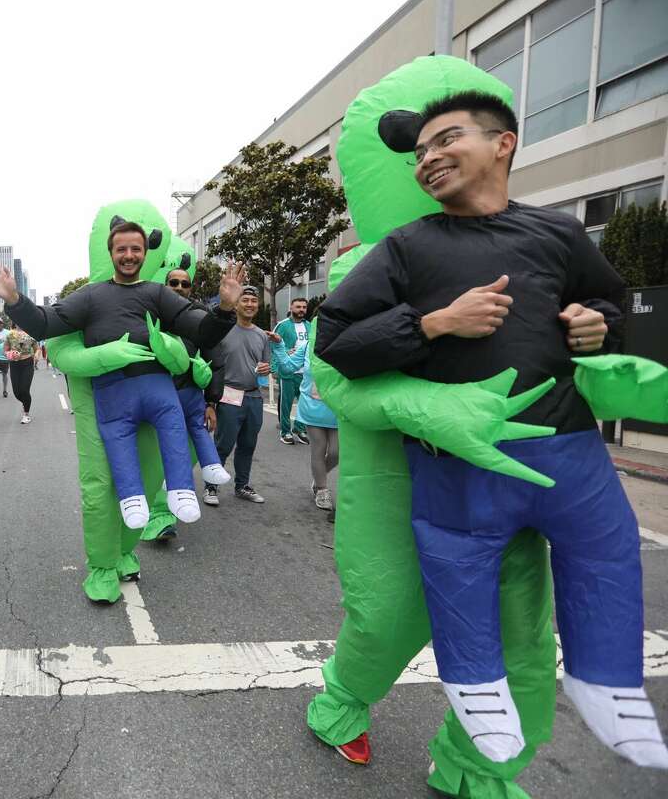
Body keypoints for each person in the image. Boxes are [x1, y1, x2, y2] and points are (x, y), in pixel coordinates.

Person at [317, 89, 666, 768]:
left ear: (502, 143)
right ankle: (344, 700)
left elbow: (607, 302)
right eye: (419, 152)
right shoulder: (404, 247)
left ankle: (480, 766)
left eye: (446, 140)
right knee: (398, 615)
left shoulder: (559, 234)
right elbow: (335, 345)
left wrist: (597, 326)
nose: (428, 159)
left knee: (538, 629)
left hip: (564, 454)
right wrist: (431, 324)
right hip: (449, 464)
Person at [0, 221, 242, 528]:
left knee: (171, 431)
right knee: (117, 449)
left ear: (145, 254)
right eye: (122, 249)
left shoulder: (158, 294)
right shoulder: (91, 296)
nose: (129, 255)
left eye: (136, 249)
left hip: (158, 390)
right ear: (111, 253)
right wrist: (14, 300)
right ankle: (130, 500)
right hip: (112, 394)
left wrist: (225, 308)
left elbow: (201, 331)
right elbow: (44, 323)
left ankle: (182, 491)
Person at [143, 265, 228, 541]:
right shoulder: (150, 315)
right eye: (173, 282)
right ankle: (156, 517)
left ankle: (168, 508)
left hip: (190, 400)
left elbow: (215, 362)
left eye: (184, 283)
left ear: (191, 287)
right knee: (153, 460)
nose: (179, 287)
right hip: (153, 402)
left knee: (178, 459)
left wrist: (212, 402)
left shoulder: (201, 318)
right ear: (164, 285)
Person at [203, 286, 273, 507]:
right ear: (236, 304)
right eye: (245, 300)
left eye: (254, 301)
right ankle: (211, 486)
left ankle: (242, 486)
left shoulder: (262, 335)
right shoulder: (224, 330)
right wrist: (210, 402)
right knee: (223, 445)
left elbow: (266, 366)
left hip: (254, 397)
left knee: (248, 444)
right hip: (228, 395)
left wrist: (266, 369)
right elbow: (211, 365)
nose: (250, 304)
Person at [295, 345, 337, 510]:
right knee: (318, 449)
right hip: (312, 408)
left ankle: (319, 477)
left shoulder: (344, 340)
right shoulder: (307, 347)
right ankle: (321, 489)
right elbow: (287, 365)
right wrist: (279, 346)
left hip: (336, 409)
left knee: (336, 452)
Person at [272, 297, 310, 445]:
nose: (301, 310)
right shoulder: (282, 325)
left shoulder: (310, 326)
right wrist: (275, 368)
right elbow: (273, 345)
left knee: (304, 404)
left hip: (305, 373)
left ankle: (300, 430)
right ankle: (285, 432)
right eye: (298, 307)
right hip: (288, 371)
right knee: (286, 404)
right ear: (291, 308)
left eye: (304, 307)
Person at [6, 325, 39, 424]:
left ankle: (26, 414)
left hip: (27, 363)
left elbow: (37, 348)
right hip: (14, 364)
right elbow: (5, 350)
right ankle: (25, 402)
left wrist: (37, 354)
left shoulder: (30, 333)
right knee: (17, 392)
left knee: (24, 389)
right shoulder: (10, 334)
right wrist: (10, 354)